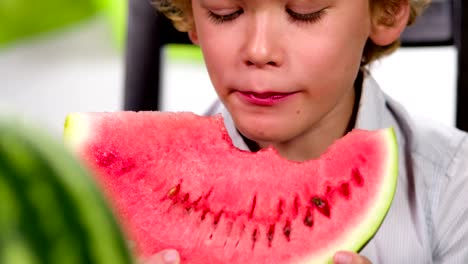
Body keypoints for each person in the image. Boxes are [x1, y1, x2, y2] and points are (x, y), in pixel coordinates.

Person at [142, 0, 468, 263]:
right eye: (225, 12)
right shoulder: (140, 188)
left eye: (304, 13)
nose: (259, 51)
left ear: (387, 9)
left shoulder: (454, 186)